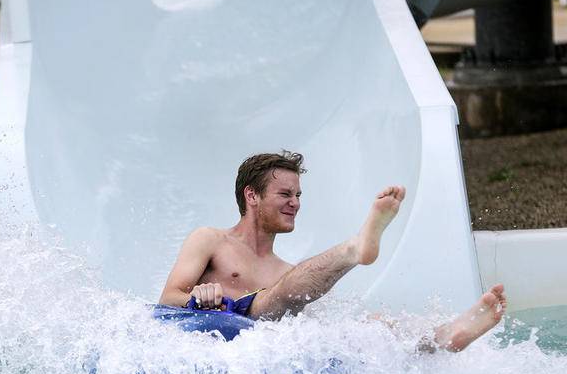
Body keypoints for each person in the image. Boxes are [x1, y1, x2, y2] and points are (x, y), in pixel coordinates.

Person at [158, 151, 506, 352]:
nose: (295, 203)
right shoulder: (211, 240)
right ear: (252, 196)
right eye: (285, 195)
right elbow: (167, 298)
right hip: (211, 333)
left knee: (357, 326)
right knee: (277, 295)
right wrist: (197, 298)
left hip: (256, 350)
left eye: (298, 196)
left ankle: (437, 338)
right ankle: (355, 248)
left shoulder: (285, 272)